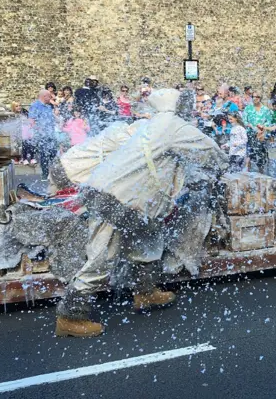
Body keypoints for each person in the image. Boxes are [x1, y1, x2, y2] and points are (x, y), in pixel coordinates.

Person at [55, 89, 229, 337]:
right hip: (114, 197)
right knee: (103, 255)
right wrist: (223, 165)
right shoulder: (172, 125)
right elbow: (211, 152)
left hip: (127, 198)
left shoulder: (153, 124)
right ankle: (71, 315)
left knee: (148, 240)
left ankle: (145, 292)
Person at [29, 90, 58, 179]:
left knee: (53, 154)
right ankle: (45, 174)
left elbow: (53, 119)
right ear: (44, 96)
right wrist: (39, 130)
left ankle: (53, 174)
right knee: (44, 155)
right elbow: (31, 121)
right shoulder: (35, 106)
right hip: (42, 136)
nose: (51, 98)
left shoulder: (48, 106)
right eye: (50, 96)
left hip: (51, 134)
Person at [243, 92, 273, 173]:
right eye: (253, 96)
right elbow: (244, 121)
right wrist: (249, 125)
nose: (254, 98)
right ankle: (247, 174)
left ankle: (261, 174)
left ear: (260, 98)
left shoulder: (265, 109)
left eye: (257, 97)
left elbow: (269, 121)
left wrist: (263, 127)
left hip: (261, 134)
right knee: (249, 154)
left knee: (261, 155)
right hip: (250, 133)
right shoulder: (248, 108)